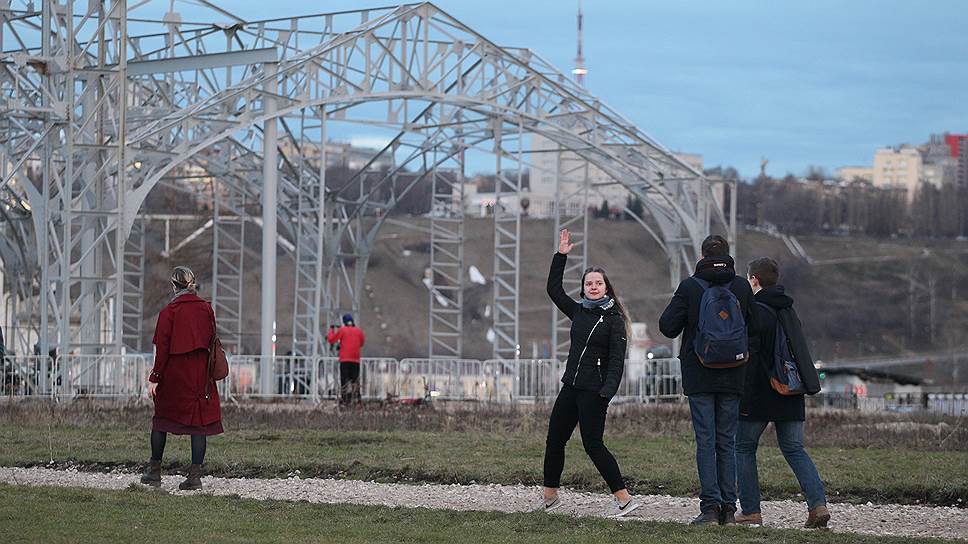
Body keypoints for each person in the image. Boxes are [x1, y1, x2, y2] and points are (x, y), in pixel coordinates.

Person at [540, 228, 640, 517]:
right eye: (589, 283)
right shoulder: (579, 311)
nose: (594, 287)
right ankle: (550, 499)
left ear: (606, 287)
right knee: (554, 440)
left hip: (594, 392)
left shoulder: (614, 321)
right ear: (583, 288)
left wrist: (605, 393)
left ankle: (624, 499)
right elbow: (553, 289)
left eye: (598, 283)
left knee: (593, 445)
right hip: (571, 385)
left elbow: (616, 362)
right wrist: (561, 255)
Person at [659, 235, 755, 525]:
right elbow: (757, 325)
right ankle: (728, 508)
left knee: (706, 441)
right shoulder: (740, 286)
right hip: (734, 373)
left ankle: (710, 508)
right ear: (728, 254)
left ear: (702, 256)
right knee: (727, 441)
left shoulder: (690, 286)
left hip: (699, 374)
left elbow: (667, 327)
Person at [736, 257, 830, 528]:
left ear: (753, 280)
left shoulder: (755, 310)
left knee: (743, 447)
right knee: (795, 449)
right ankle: (818, 505)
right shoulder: (788, 309)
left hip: (761, 393)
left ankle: (751, 510)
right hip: (791, 389)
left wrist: (742, 393)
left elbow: (752, 357)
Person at [141, 266, 223, 490]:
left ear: (173, 286)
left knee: (161, 421)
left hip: (175, 375)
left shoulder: (168, 313)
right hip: (200, 374)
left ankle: (154, 472)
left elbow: (163, 349)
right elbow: (212, 339)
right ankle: (195, 477)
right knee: (199, 425)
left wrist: (154, 377)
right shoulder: (206, 309)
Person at [327, 313, 366, 405]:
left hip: (345, 359)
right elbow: (362, 343)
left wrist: (331, 330)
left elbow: (331, 340)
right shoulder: (359, 331)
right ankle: (357, 398)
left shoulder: (343, 330)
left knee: (344, 380)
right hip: (355, 359)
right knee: (355, 380)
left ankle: (345, 399)